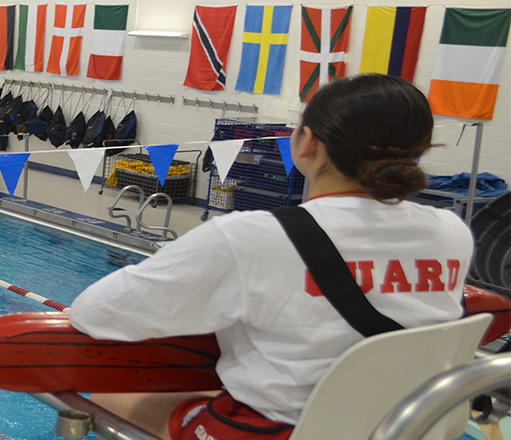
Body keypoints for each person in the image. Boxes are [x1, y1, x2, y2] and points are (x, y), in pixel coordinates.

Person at [66, 74, 470, 440]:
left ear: (308, 142)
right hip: (410, 425)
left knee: (109, 397)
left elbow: (94, 313)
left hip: (281, 430)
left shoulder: (252, 236)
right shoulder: (452, 232)